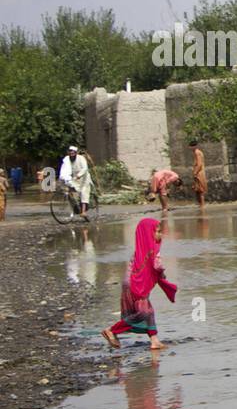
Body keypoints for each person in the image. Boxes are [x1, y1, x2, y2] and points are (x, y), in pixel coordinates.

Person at [101, 217, 176, 351]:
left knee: (149, 311)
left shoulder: (140, 249)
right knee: (144, 313)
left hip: (131, 283)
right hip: (137, 285)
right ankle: (112, 330)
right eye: (157, 232)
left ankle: (155, 341)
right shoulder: (152, 250)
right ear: (148, 233)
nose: (160, 235)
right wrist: (163, 276)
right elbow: (157, 267)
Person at [58, 146, 93, 219]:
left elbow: (85, 168)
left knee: (84, 193)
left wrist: (79, 175)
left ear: (76, 153)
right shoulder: (67, 160)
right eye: (70, 152)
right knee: (70, 192)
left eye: (73, 152)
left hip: (84, 179)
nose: (71, 153)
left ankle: (83, 212)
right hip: (74, 179)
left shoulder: (81, 158)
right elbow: (65, 169)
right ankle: (75, 208)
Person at [190, 141, 207, 208]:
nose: (191, 148)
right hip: (198, 172)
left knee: (200, 190)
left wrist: (195, 172)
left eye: (191, 146)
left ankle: (202, 205)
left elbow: (199, 164)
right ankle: (200, 205)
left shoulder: (197, 152)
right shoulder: (196, 152)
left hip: (199, 173)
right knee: (197, 189)